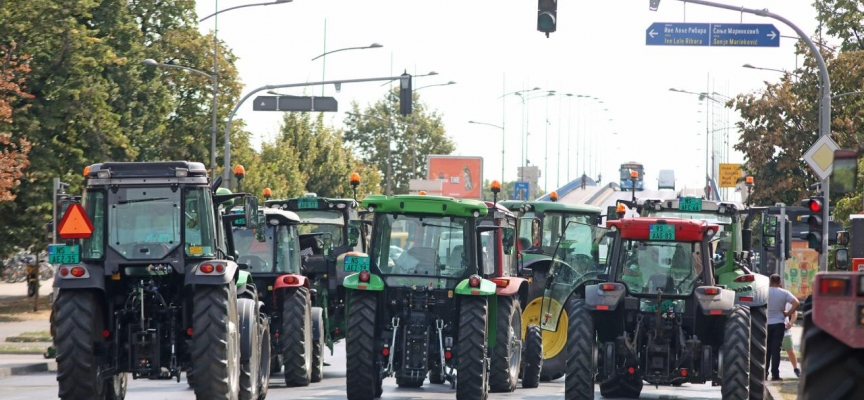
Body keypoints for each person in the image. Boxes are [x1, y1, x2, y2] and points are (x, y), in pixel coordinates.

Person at [766, 274, 799, 381]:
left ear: (770, 281)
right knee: (776, 350)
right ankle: (775, 374)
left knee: (767, 350)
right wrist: (787, 313)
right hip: (779, 324)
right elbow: (796, 303)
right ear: (780, 282)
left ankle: (764, 373)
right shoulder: (784, 293)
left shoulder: (765, 292)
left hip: (766, 323)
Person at [782, 302, 800, 377]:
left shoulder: (786, 300)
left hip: (785, 330)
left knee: (790, 350)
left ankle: (796, 369)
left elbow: (794, 313)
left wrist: (791, 323)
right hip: (772, 328)